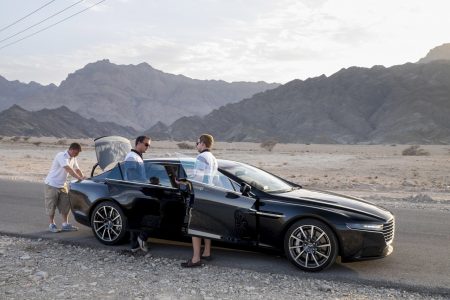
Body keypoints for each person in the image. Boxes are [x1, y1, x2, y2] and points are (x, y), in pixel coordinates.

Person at [181, 134, 218, 268]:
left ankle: (196, 258)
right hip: (210, 194)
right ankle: (207, 252)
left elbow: (198, 178)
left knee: (195, 226)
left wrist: (184, 181)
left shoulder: (201, 157)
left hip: (200, 194)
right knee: (206, 225)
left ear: (202, 143)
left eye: (197, 143)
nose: (196, 145)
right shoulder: (213, 158)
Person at [44, 142, 85, 233]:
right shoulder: (61, 155)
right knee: (51, 205)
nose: (76, 155)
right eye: (76, 153)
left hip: (62, 185)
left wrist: (83, 178)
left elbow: (77, 169)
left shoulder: (73, 158)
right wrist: (78, 178)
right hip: (52, 184)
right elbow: (68, 168)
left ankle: (65, 224)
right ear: (72, 149)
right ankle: (52, 224)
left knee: (66, 205)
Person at [125, 135, 151, 253]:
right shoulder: (131, 157)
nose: (147, 147)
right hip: (134, 191)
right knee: (137, 218)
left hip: (138, 190)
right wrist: (144, 183)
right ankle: (138, 241)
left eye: (149, 145)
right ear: (139, 143)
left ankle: (135, 246)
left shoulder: (137, 157)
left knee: (137, 218)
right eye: (146, 144)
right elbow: (132, 177)